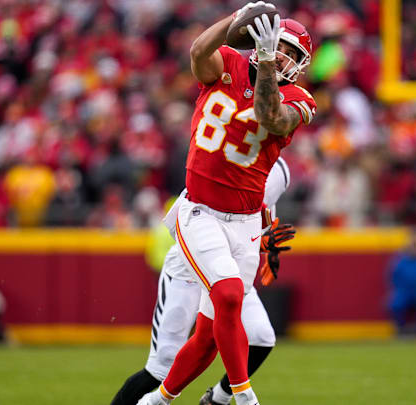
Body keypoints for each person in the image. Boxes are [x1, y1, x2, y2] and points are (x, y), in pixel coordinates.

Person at [137, 3, 316, 405]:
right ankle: (244, 397)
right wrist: (237, 19)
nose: (285, 56)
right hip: (200, 209)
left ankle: (156, 401)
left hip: (245, 223)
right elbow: (199, 52)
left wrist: (269, 62)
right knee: (230, 295)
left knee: (209, 336)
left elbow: (271, 118)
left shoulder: (299, 97)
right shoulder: (229, 63)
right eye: (281, 46)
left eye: (293, 54)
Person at [111, 158, 293, 405]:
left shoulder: (278, 169)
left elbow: (260, 222)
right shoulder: (225, 150)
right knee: (161, 366)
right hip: (191, 265)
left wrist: (268, 247)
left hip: (230, 267)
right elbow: (192, 214)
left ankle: (217, 399)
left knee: (261, 337)